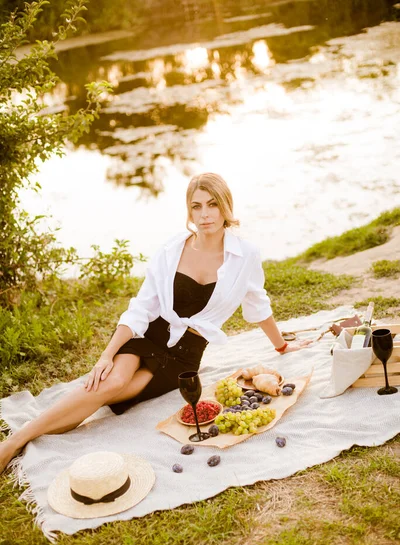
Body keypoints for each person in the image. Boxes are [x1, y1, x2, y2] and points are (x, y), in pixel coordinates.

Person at [0, 173, 312, 473]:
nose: (205, 215)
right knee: (112, 381)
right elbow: (140, 308)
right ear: (188, 210)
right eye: (196, 206)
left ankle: (23, 438)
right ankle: (14, 443)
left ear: (226, 206)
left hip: (184, 354)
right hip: (149, 333)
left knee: (111, 393)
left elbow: (257, 303)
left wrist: (282, 345)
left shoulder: (245, 255)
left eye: (213, 204)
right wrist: (106, 355)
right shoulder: (171, 249)